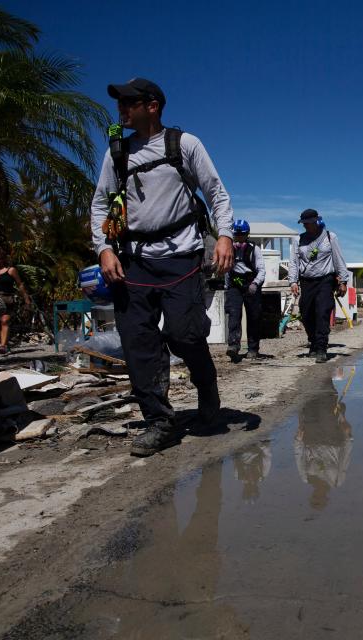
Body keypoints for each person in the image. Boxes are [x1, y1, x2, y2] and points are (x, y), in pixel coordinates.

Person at [91, 77, 235, 457]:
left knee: (184, 335)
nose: (121, 109)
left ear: (152, 106)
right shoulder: (117, 153)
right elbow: (100, 206)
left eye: (129, 102)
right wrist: (104, 249)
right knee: (138, 341)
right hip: (133, 260)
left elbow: (216, 192)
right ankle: (160, 422)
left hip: (182, 256)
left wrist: (224, 237)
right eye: (120, 103)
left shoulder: (184, 144)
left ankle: (207, 388)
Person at [288, 209, 348, 363]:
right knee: (306, 313)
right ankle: (314, 342)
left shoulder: (330, 237)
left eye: (308, 223)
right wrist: (293, 281)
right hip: (306, 281)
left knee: (322, 312)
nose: (306, 226)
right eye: (304, 224)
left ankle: (321, 348)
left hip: (325, 281)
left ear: (316, 221)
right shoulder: (298, 240)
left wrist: (343, 281)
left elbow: (338, 259)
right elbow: (294, 263)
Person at [294, 379, 354, 510]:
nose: (317, 496)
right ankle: (325, 375)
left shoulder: (306, 478)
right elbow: (345, 457)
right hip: (331, 435)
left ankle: (311, 373)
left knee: (308, 401)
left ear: (311, 496)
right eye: (320, 499)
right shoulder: (337, 480)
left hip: (310, 435)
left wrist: (298, 440)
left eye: (314, 498)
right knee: (326, 401)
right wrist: (348, 436)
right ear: (326, 498)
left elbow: (299, 456)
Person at [224, 219, 265, 361]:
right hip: (235, 285)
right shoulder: (229, 248)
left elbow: (261, 270)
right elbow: (227, 269)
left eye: (242, 234)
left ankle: (253, 349)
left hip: (251, 283)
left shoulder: (255, 249)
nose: (239, 237)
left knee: (254, 316)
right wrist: (227, 286)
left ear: (247, 234)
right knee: (234, 315)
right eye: (237, 234)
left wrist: (255, 284)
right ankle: (233, 346)